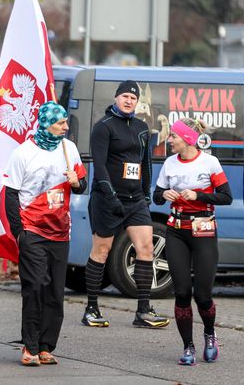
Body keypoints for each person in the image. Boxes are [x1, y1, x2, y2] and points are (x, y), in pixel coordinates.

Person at [3, 101, 87, 366]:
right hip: (32, 230)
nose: (65, 127)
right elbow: (10, 195)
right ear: (46, 123)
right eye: (61, 123)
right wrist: (19, 233)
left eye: (65, 123)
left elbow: (82, 185)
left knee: (54, 292)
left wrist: (77, 182)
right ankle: (29, 346)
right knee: (35, 285)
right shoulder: (23, 152)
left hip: (60, 231)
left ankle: (46, 346)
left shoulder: (68, 149)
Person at [83, 80, 170, 328]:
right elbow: (99, 166)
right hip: (107, 200)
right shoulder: (104, 127)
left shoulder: (143, 128)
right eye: (125, 96)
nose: (129, 101)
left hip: (135, 202)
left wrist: (146, 194)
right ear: (116, 98)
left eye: (133, 98)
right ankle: (91, 309)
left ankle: (143, 311)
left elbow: (145, 164)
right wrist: (110, 196)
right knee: (101, 251)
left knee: (146, 249)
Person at [153, 118, 233, 365]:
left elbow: (226, 197)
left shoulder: (210, 162)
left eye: (174, 137)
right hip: (176, 230)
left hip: (203, 230)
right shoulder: (169, 163)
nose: (169, 140)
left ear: (186, 138)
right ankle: (188, 347)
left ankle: (210, 334)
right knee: (182, 293)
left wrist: (198, 195)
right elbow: (156, 197)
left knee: (203, 295)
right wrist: (164, 194)